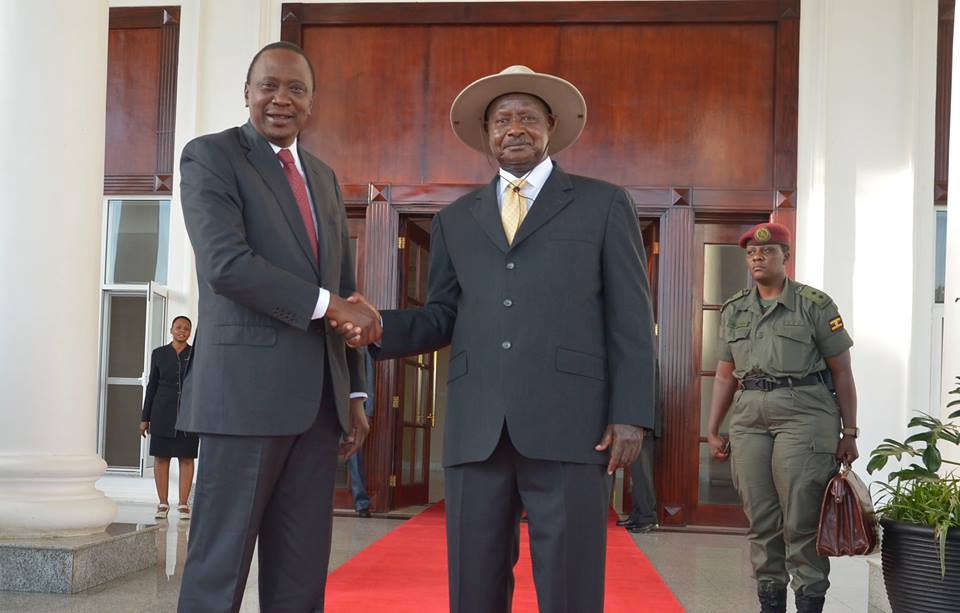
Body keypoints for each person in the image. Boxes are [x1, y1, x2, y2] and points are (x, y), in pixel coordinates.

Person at [337, 65, 656, 613]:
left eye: (527, 117)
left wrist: (631, 414)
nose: (515, 129)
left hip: (573, 424)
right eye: (502, 120)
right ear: (486, 134)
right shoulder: (456, 219)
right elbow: (442, 315)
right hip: (477, 427)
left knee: (571, 585)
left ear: (550, 125)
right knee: (474, 584)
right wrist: (379, 326)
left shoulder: (604, 204)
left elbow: (631, 318)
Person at [175, 41, 380, 613]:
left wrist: (354, 393)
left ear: (312, 102)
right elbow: (226, 265)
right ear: (247, 92)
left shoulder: (323, 177)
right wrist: (333, 306)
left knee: (300, 574)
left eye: (296, 89)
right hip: (243, 402)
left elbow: (344, 289)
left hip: (318, 409)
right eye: (268, 86)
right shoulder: (210, 157)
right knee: (219, 570)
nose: (281, 99)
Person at [705, 222, 859, 613]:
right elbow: (725, 374)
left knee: (801, 518)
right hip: (749, 415)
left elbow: (842, 370)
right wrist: (712, 428)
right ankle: (770, 604)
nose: (758, 257)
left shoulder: (814, 305)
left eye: (768, 251)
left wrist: (849, 431)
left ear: (785, 257)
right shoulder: (735, 309)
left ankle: (808, 600)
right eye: (751, 253)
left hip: (804, 413)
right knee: (761, 519)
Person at [139, 315, 198, 520]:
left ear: (190, 332)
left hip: (189, 414)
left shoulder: (196, 354)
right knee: (161, 457)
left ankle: (183, 504)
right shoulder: (159, 353)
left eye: (186, 328)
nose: (182, 331)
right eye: (178, 327)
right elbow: (152, 386)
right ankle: (162, 503)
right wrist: (145, 417)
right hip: (161, 412)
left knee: (186, 458)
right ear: (171, 330)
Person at [347, 350, 376, 517]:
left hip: (353, 410)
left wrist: (368, 412)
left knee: (354, 458)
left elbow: (368, 380)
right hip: (325, 407)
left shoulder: (362, 346)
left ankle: (361, 503)